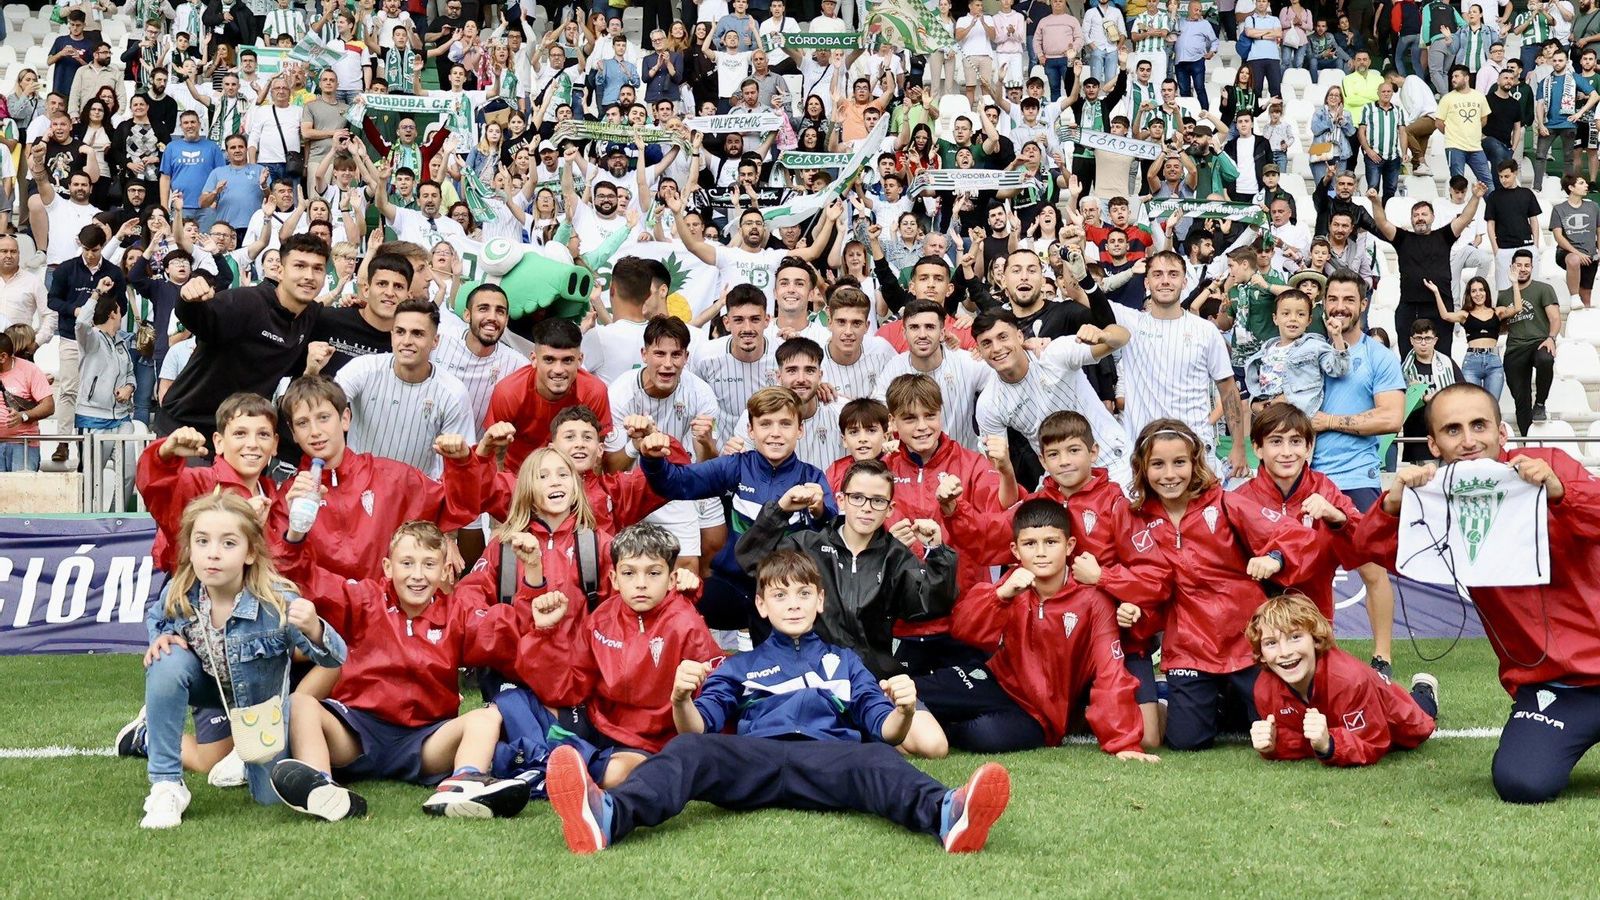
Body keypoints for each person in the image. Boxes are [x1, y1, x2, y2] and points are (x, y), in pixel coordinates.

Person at [543, 550, 1014, 854]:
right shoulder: (738, 666)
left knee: (877, 755)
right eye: (780, 595)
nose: (792, 604)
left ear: (820, 601)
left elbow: (883, 727)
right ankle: (606, 817)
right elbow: (697, 728)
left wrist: (906, 711)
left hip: (830, 760)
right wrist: (681, 697)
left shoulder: (846, 662)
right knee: (688, 751)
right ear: (762, 606)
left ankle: (948, 815)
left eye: (803, 594)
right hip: (756, 760)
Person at [1356, 382, 1600, 802]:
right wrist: (1392, 506)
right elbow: (1362, 550)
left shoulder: (1551, 465)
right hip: (1554, 687)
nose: (1469, 440)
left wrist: (1562, 493)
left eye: (1479, 425)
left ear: (1502, 433)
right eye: (1453, 430)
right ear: (1433, 444)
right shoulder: (1434, 497)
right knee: (1522, 784)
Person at [271, 519, 534, 821]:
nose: (418, 575)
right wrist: (295, 533)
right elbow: (305, 575)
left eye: (429, 564)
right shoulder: (365, 599)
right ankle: (321, 786)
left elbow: (509, 632)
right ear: (387, 566)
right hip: (357, 733)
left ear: (445, 569)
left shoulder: (457, 613)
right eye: (407, 563)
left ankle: (465, 781)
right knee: (301, 702)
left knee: (488, 716)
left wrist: (533, 584)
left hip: (424, 742)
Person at [137, 492, 347, 828]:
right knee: (166, 660)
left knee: (268, 799)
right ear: (190, 549)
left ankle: (244, 758)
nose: (213, 553)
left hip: (260, 708)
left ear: (250, 552)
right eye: (202, 541)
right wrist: (159, 638)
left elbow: (335, 656)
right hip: (211, 691)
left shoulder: (275, 601)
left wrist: (316, 628)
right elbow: (156, 618)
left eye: (228, 543)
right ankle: (166, 785)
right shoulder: (181, 590)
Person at [734, 458, 956, 758]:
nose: (866, 507)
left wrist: (937, 552)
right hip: (816, 674)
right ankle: (856, 731)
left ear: (890, 509)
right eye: (858, 498)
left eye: (878, 501)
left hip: (875, 676)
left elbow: (931, 603)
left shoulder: (895, 555)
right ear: (840, 499)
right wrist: (780, 511)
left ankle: (861, 728)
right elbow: (751, 562)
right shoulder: (808, 544)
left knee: (934, 746)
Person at [1129, 418, 1318, 751]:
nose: (1169, 474)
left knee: (1286, 732)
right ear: (1143, 468)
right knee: (1186, 742)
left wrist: (1274, 557)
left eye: (1179, 463)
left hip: (1247, 641)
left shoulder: (1224, 503)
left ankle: (1235, 698)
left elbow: (1295, 535)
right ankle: (1210, 701)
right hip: (1189, 646)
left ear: (1195, 463)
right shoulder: (1136, 516)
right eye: (1158, 464)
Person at [505, 522, 722, 787]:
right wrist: (545, 631)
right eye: (629, 573)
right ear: (614, 580)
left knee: (616, 775)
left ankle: (546, 767)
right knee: (507, 704)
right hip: (600, 725)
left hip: (655, 741)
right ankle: (548, 762)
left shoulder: (687, 624)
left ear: (672, 579)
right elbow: (568, 688)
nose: (641, 584)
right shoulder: (602, 618)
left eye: (653, 573)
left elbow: (708, 703)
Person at [639, 385, 837, 640]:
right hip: (736, 583)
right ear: (750, 430)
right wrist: (653, 459)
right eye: (765, 424)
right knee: (681, 605)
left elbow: (833, 534)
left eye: (785, 424)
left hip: (787, 591)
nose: (775, 433)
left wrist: (820, 509)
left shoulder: (811, 477)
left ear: (800, 430)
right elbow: (676, 483)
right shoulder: (736, 467)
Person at [1309, 272, 1406, 677]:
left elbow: (1391, 417)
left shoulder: (1378, 356)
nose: (1339, 306)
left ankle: (1381, 658)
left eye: (1349, 299)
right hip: (1305, 478)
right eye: (1333, 298)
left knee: (1371, 570)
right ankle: (1313, 656)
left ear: (1362, 305)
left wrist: (1330, 421)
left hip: (1355, 478)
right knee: (1307, 571)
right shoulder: (1308, 350)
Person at [157, 233, 328, 439]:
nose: (309, 276)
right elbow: (200, 317)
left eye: (317, 268)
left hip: (242, 436)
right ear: (280, 271)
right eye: (300, 266)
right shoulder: (246, 301)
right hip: (187, 428)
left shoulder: (311, 317)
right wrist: (188, 297)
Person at [1246, 594, 1438, 765]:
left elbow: (1374, 743)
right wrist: (1272, 746)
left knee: (1417, 723)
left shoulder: (1351, 680)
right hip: (1345, 712)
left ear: (1315, 639)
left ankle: (1424, 690)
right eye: (1271, 643)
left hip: (1393, 711)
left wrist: (1329, 745)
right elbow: (1300, 741)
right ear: (1261, 653)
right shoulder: (1264, 688)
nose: (1285, 652)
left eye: (1295, 637)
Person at [972, 309, 1132, 487]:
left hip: (1113, 462)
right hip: (1061, 479)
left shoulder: (1054, 353)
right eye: (986, 343)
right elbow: (998, 469)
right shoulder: (988, 403)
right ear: (979, 350)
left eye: (1003, 337)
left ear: (1019, 336)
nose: (996, 348)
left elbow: (1123, 337)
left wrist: (1104, 335)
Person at [334, 299, 473, 478]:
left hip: (416, 495)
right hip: (357, 485)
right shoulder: (363, 369)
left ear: (435, 341)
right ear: (392, 335)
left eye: (417, 334)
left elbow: (465, 461)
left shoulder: (453, 392)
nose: (406, 341)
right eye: (400, 332)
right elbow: (327, 403)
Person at [1368, 181, 1486, 361]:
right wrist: (1376, 202)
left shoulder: (1444, 235)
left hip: (1441, 307)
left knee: (1443, 357)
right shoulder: (1402, 238)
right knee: (1408, 358)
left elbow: (1464, 218)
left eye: (1424, 214)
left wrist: (1476, 196)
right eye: (1416, 215)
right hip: (1409, 306)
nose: (1420, 218)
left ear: (1433, 217)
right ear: (1411, 219)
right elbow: (1382, 222)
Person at [485, 316, 612, 474]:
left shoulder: (594, 392)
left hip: (573, 479)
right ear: (534, 359)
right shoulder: (509, 392)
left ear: (580, 360)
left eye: (567, 360)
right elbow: (494, 454)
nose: (558, 369)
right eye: (549, 360)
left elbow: (595, 458)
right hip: (519, 479)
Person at [1242, 290, 1350, 415]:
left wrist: (1337, 336)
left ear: (1309, 320)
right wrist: (1254, 404)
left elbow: (1339, 369)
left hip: (1298, 416)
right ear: (1275, 318)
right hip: (1269, 416)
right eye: (1286, 313)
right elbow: (1256, 384)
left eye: (1300, 314)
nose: (1293, 319)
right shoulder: (1266, 348)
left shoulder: (1314, 345)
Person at [1498, 249, 1562, 433]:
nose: (1523, 269)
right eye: (1519, 265)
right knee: (1521, 399)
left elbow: (1555, 318)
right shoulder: (1503, 295)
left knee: (1546, 358)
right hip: (1514, 349)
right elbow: (1502, 328)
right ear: (1511, 267)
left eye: (1527, 265)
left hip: (1538, 343)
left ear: (1532, 267)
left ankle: (1540, 403)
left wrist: (1551, 338)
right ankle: (1527, 440)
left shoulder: (1543, 289)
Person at [72, 291, 135, 434]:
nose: (121, 317)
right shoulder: (90, 338)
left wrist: (129, 388)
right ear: (112, 314)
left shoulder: (121, 342)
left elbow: (130, 372)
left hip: (122, 416)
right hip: (92, 417)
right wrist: (96, 294)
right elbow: (81, 322)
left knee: (128, 456)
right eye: (119, 312)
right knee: (93, 458)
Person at [1484, 159, 1544, 292]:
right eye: (1500, 177)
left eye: (1506, 176)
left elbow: (1533, 220)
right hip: (1503, 249)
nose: (1503, 180)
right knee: (1504, 291)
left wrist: (1536, 245)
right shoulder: (1494, 196)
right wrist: (1496, 250)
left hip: (1527, 246)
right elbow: (1490, 224)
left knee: (1531, 290)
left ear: (1515, 173)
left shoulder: (1527, 193)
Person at [0, 330, 55, 472]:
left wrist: (23, 416)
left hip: (23, 445)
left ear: (3, 357)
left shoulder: (29, 370)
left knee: (22, 492)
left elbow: (48, 406)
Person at [1551, 174, 1600, 307]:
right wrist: (1577, 253)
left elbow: (1599, 230)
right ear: (1571, 187)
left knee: (1586, 298)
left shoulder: (1594, 207)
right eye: (1582, 183)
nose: (1586, 185)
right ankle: (1573, 297)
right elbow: (1558, 236)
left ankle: (1584, 322)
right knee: (1574, 259)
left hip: (1590, 254)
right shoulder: (1559, 209)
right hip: (1567, 252)